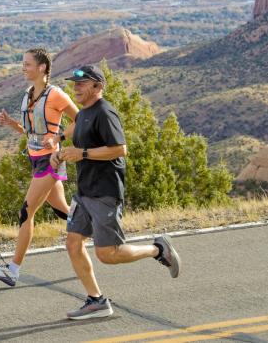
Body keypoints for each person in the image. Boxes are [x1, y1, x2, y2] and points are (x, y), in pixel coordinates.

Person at [51, 64, 181, 320]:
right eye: (74, 83)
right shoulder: (84, 114)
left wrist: (83, 154)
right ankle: (96, 301)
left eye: (82, 83)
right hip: (85, 192)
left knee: (108, 255)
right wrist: (60, 153)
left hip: (104, 192)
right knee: (73, 243)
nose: (76, 87)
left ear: (98, 86)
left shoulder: (104, 112)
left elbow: (120, 149)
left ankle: (157, 249)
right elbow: (76, 139)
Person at [0, 48, 79, 287]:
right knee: (63, 212)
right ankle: (104, 235)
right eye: (23, 63)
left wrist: (58, 139)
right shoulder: (29, 94)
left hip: (50, 160)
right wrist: (11, 124)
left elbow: (81, 120)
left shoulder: (56, 94)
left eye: (27, 64)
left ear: (42, 68)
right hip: (35, 158)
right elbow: (31, 131)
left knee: (26, 212)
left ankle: (12, 270)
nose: (23, 68)